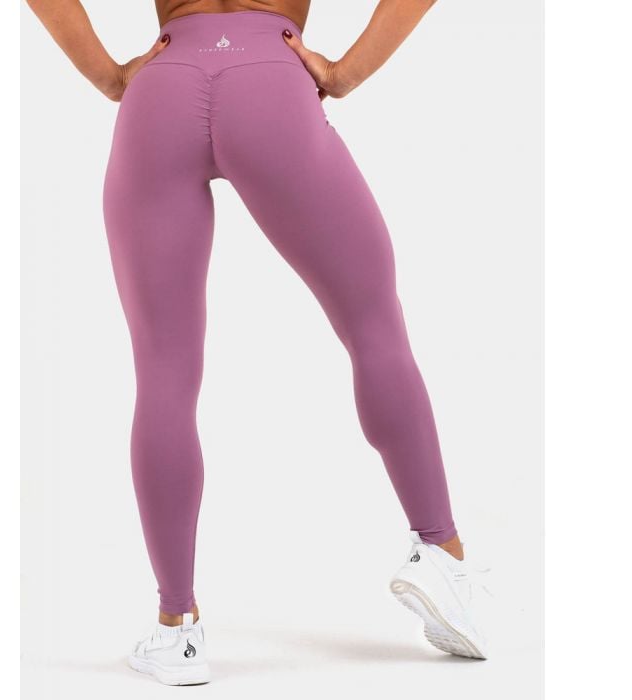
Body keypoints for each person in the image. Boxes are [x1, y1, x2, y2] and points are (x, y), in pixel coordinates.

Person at [26, 0, 488, 685]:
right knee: (372, 325)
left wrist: (109, 75)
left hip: (162, 86)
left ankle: (177, 627)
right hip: (273, 80)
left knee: (163, 371)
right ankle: (441, 554)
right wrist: (346, 72)